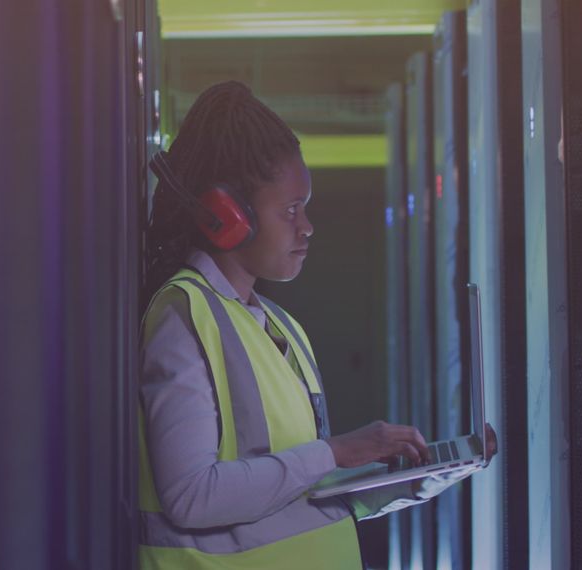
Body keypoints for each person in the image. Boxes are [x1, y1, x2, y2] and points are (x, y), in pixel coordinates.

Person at [138, 81, 497, 569]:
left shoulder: (282, 329)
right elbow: (192, 495)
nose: (306, 226)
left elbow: (308, 498)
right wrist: (334, 452)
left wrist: (431, 472)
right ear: (227, 217)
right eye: (290, 209)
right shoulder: (182, 316)